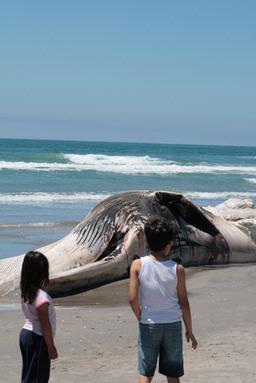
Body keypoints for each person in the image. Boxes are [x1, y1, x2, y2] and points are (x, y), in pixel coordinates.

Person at [129, 217, 198, 383]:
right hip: (172, 325)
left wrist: (141, 316)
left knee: (145, 372)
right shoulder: (177, 268)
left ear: (148, 240)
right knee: (173, 373)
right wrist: (189, 330)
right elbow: (184, 303)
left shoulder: (138, 265)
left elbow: (132, 298)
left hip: (149, 324)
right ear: (168, 244)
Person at [19, 251, 58, 383]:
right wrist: (51, 347)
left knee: (29, 376)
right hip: (37, 338)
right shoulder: (41, 297)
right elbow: (45, 325)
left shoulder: (26, 293)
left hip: (26, 334)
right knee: (38, 378)